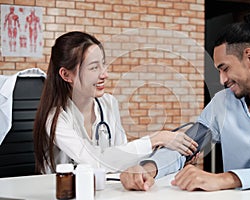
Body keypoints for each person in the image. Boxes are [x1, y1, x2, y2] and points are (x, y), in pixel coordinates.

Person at [119, 10, 250, 198]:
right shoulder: (221, 104)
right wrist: (148, 168)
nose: (222, 80)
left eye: (225, 69)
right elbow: (187, 144)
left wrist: (226, 179)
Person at [33, 31, 198, 174]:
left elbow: (123, 157)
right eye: (93, 67)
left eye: (103, 64)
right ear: (66, 75)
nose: (104, 74)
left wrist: (174, 156)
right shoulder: (56, 118)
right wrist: (154, 139)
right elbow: (94, 161)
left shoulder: (108, 103)